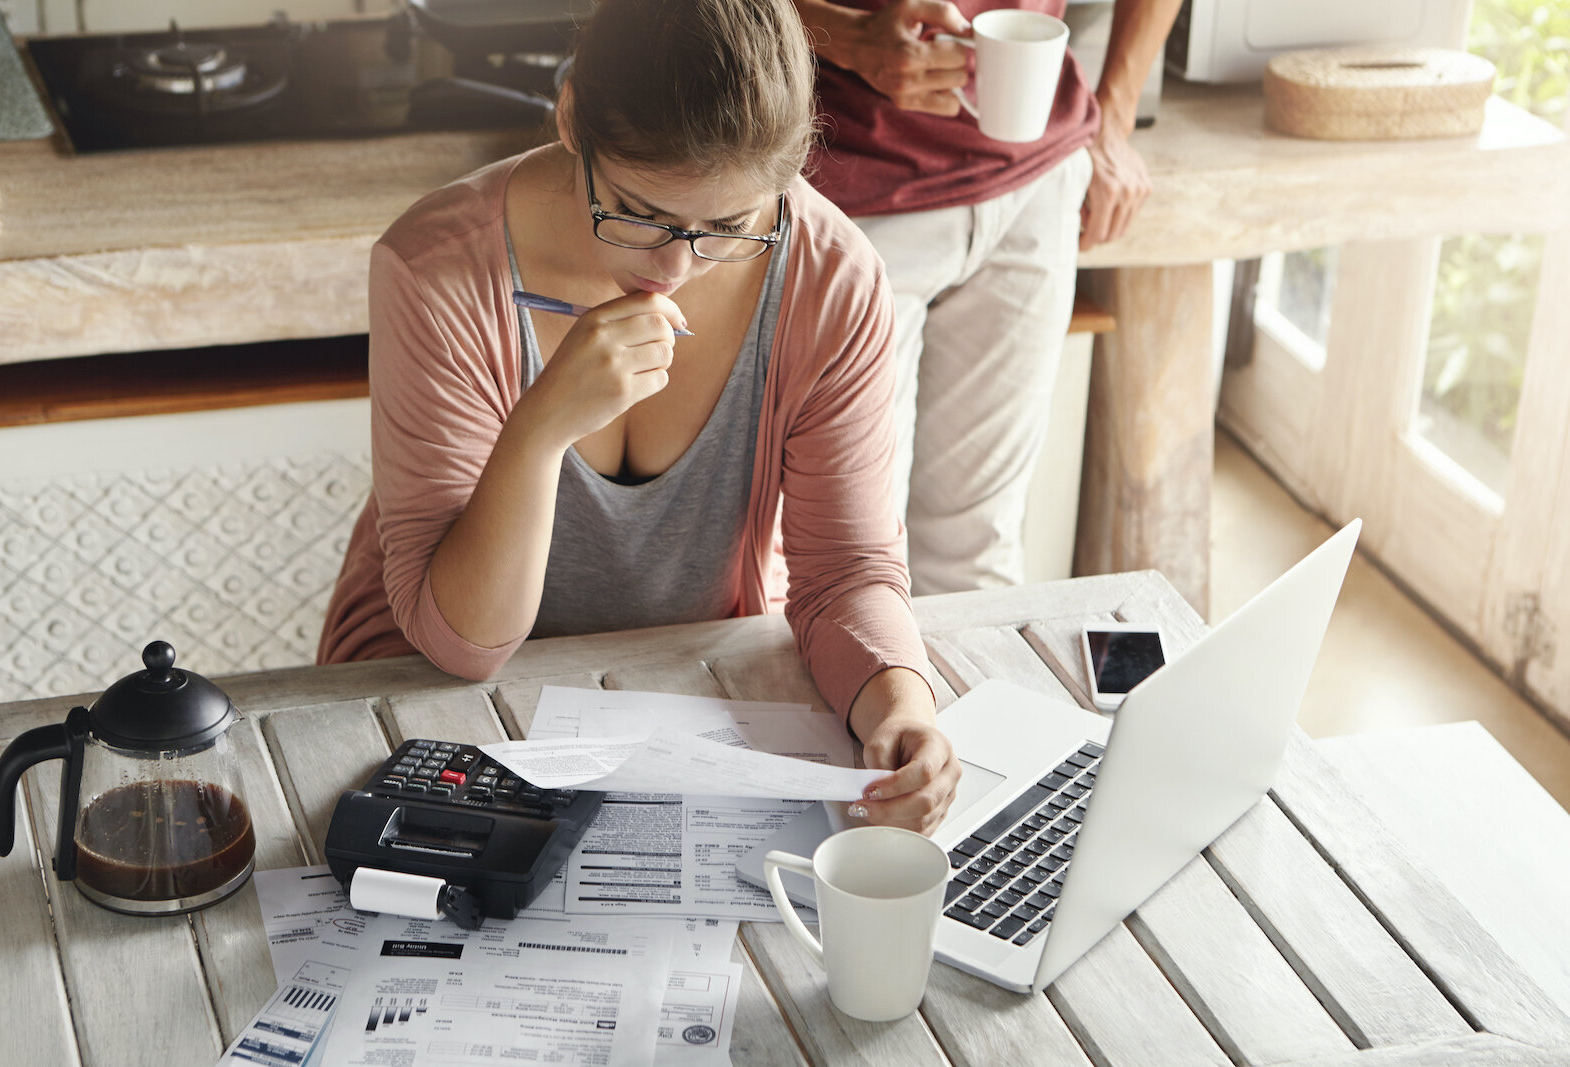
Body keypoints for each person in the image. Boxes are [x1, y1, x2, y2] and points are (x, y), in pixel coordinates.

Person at [317, 0, 960, 832]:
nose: (675, 268)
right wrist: (542, 427)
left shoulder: (832, 281)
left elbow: (844, 575)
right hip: (426, 694)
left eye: (729, 227)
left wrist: (901, 707)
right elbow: (462, 642)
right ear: (571, 114)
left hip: (679, 696)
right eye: (641, 213)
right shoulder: (437, 270)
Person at [792, 0, 1183, 594]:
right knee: (853, 564)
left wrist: (1117, 119)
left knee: (979, 553)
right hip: (846, 192)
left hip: (1037, 180)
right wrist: (845, 36)